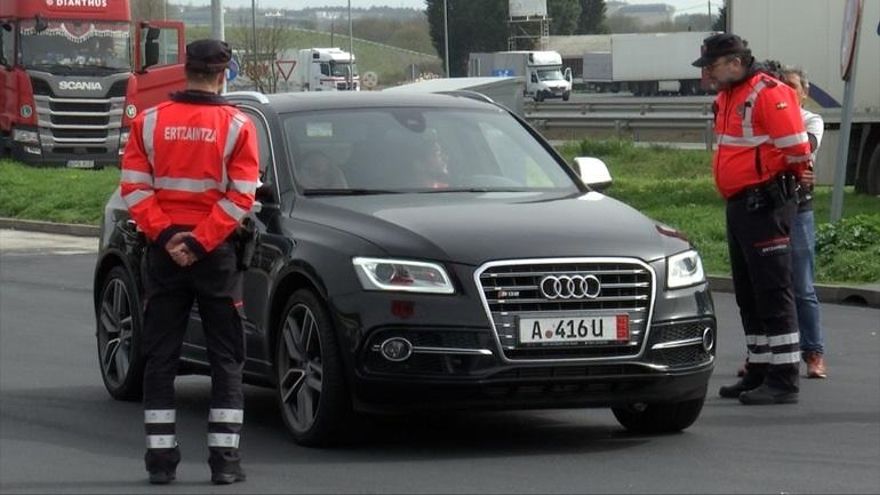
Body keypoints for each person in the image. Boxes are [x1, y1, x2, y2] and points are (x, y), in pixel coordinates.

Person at [119, 39, 259, 484]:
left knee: (160, 355)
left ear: (186, 71)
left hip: (163, 252)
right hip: (215, 255)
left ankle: (160, 463)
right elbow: (242, 197)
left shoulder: (149, 121)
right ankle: (224, 463)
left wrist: (167, 237)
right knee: (226, 358)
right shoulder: (239, 125)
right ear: (222, 75)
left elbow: (135, 189)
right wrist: (199, 243)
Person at [693, 33, 812, 405]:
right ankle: (759, 369)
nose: (707, 75)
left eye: (711, 67)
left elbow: (796, 148)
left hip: (764, 203)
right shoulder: (729, 95)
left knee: (774, 291)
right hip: (741, 204)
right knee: (749, 293)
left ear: (734, 62)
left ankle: (784, 376)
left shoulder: (768, 92)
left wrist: (780, 184)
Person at [782, 66, 828, 379]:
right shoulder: (764, 120)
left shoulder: (811, 120)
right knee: (768, 287)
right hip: (768, 209)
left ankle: (813, 353)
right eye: (781, 85)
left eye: (792, 85)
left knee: (802, 286)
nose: (786, 90)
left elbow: (802, 148)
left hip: (798, 208)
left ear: (804, 92)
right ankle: (764, 355)